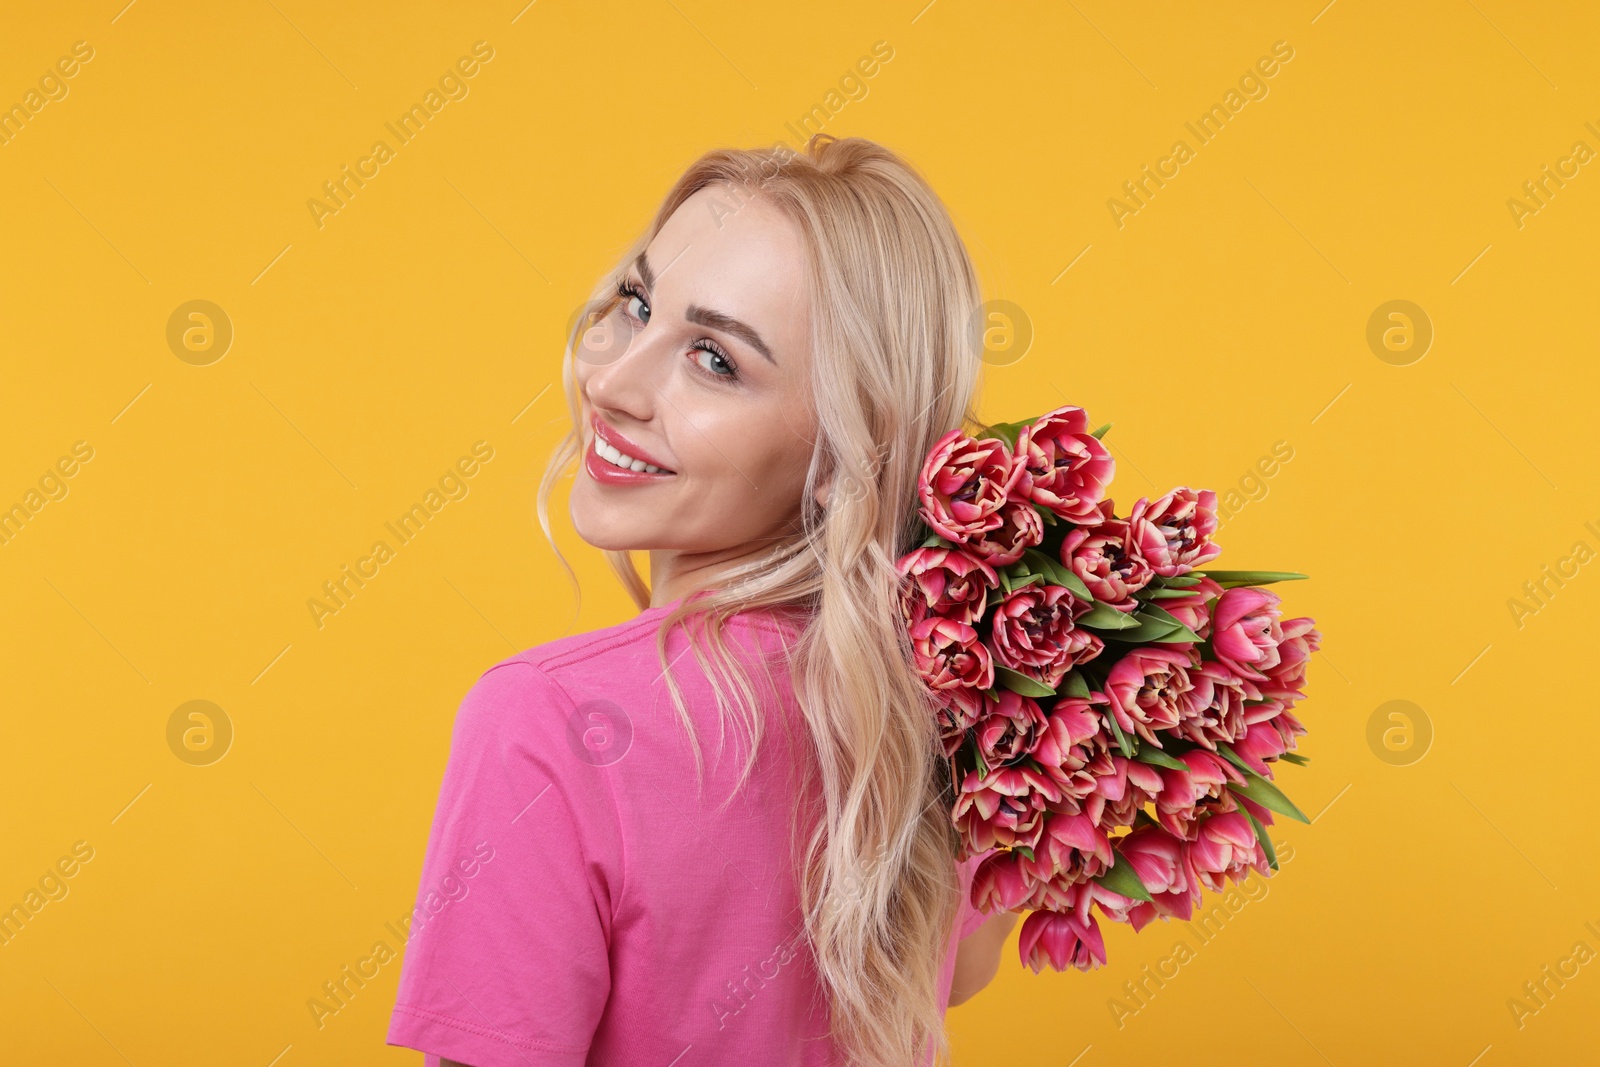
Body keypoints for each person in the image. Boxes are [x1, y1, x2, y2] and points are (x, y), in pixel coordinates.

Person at [386, 133, 1017, 1067]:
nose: (612, 381)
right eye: (638, 307)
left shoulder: (547, 723)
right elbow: (957, 973)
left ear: (844, 450)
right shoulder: (960, 699)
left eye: (716, 360)